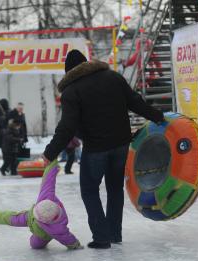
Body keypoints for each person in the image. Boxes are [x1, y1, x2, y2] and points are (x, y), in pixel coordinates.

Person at [42, 50, 164, 249]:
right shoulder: (113, 77)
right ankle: (114, 233)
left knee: (89, 190)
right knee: (115, 188)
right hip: (121, 145)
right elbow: (136, 102)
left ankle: (101, 237)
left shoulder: (72, 91)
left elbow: (67, 127)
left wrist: (50, 152)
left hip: (96, 148)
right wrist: (158, 116)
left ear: (69, 71)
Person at [0, 160, 83, 250]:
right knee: (12, 218)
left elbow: (67, 238)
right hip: (28, 217)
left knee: (35, 245)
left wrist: (75, 245)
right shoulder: (46, 197)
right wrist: (52, 161)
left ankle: (36, 240)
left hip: (42, 234)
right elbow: (49, 181)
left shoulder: (57, 228)